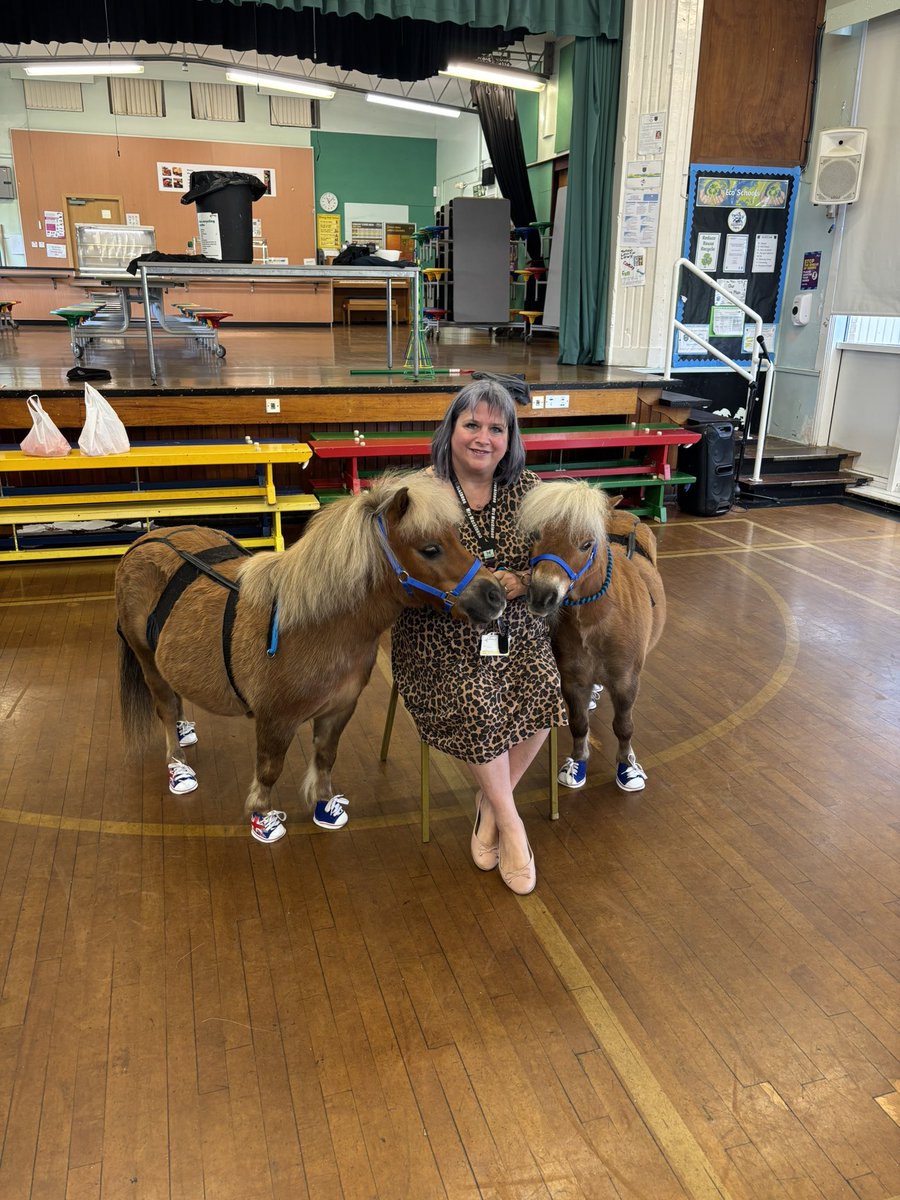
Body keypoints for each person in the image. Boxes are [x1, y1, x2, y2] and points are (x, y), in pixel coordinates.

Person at [391, 380, 566, 895]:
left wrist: (518, 576)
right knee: (474, 701)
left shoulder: (528, 489)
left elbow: (548, 556)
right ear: (451, 432)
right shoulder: (420, 493)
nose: (483, 437)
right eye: (471, 425)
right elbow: (403, 566)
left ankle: (491, 808)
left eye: (496, 427)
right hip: (438, 633)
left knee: (544, 687)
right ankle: (511, 827)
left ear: (510, 438)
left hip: (512, 627)